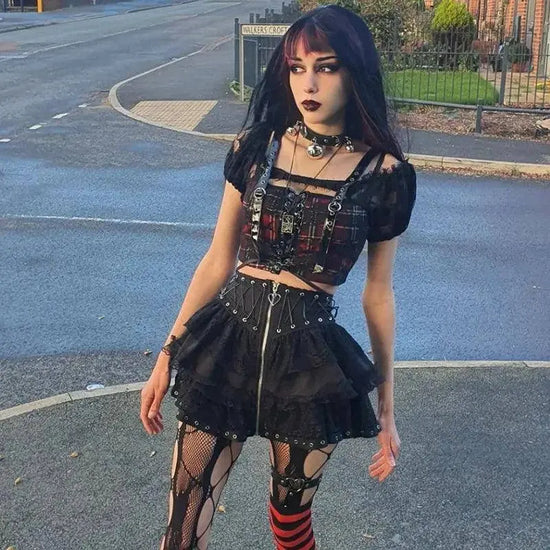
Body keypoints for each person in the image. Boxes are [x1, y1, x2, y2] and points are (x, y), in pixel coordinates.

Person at [140, 4, 417, 549]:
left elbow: (378, 295)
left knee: (289, 525)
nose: (308, 84)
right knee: (182, 528)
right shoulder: (256, 148)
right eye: (296, 68)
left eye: (326, 67)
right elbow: (217, 259)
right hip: (225, 347)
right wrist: (167, 353)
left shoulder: (386, 174)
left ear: (354, 72)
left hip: (308, 363)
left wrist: (387, 407)